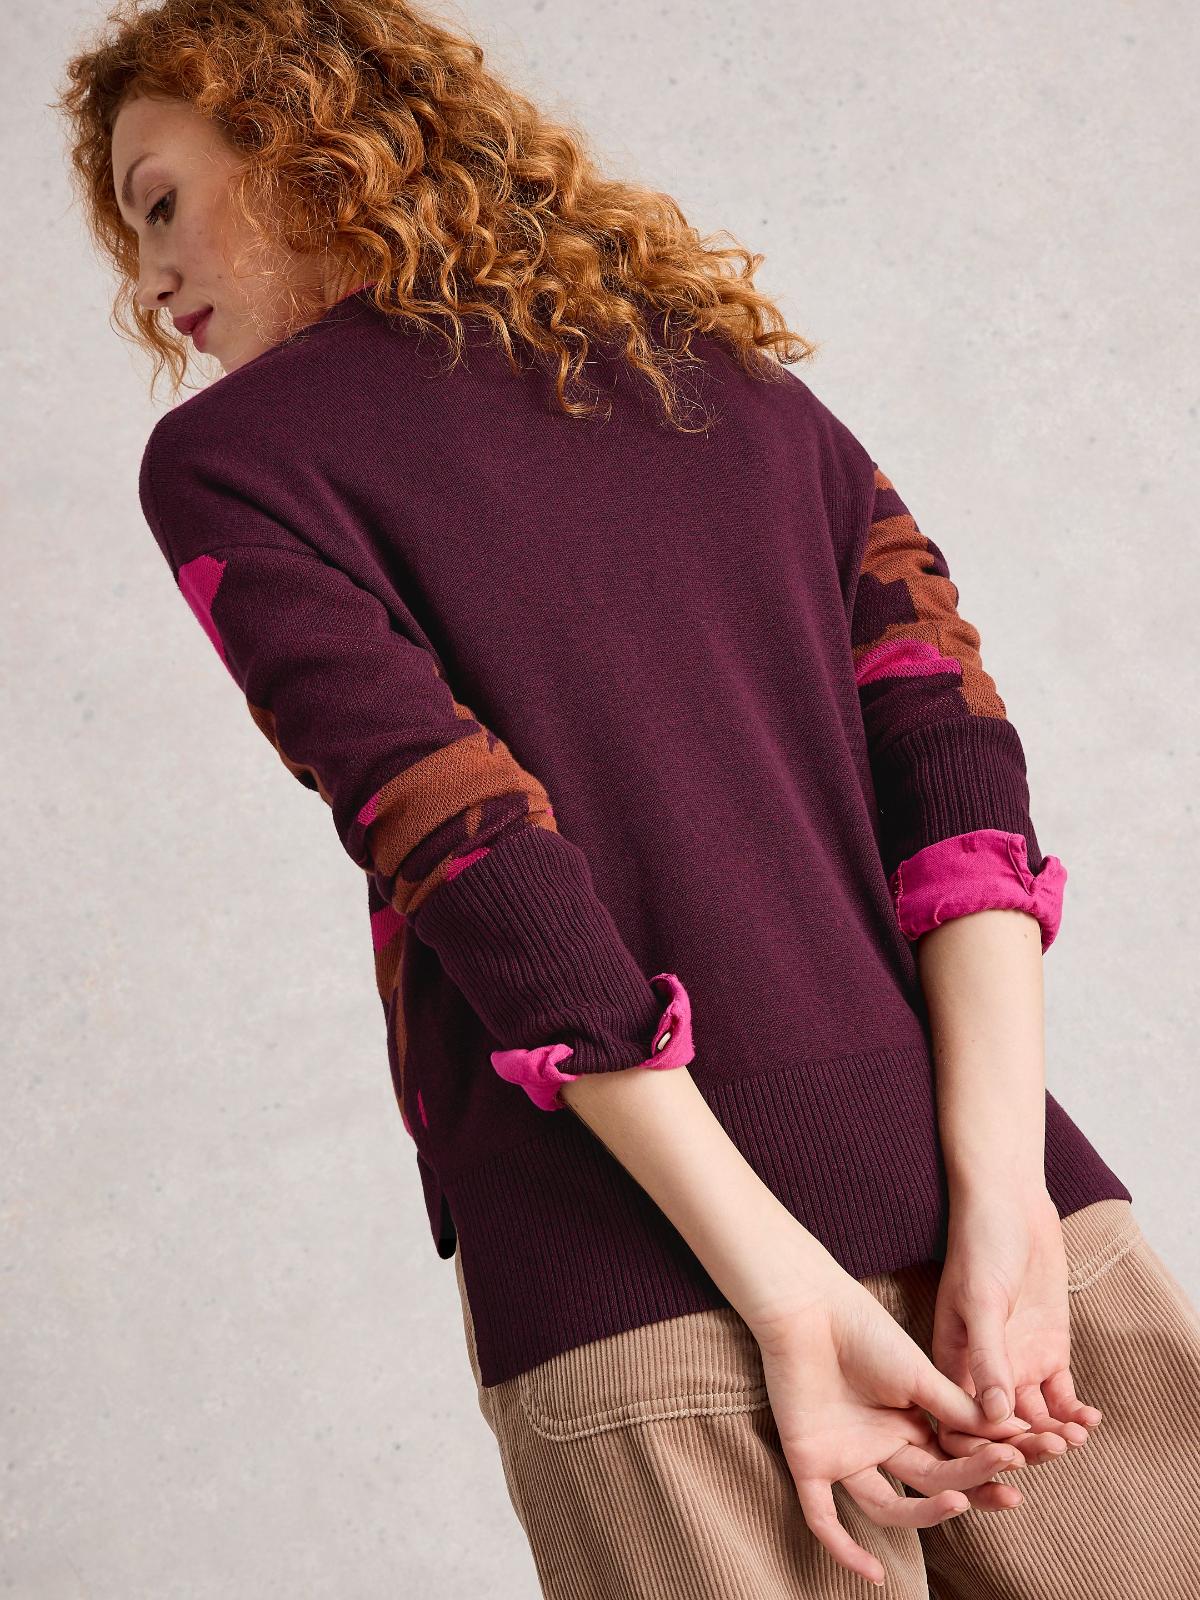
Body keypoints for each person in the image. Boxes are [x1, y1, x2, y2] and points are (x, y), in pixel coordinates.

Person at [57, 2, 1200, 1594]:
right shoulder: (743, 393)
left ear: (302, 142)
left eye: (162, 199)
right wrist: (1004, 1211)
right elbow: (958, 780)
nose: (149, 275)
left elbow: (474, 865)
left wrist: (790, 1297)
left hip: (644, 1284)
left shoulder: (234, 454)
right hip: (1021, 1262)